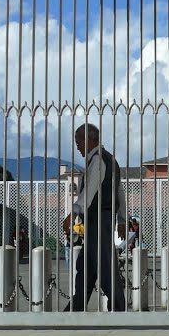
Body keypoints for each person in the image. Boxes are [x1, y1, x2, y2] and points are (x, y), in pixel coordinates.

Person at [63, 123, 127, 312]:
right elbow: (119, 191)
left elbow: (89, 192)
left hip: (98, 219)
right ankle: (74, 309)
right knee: (85, 268)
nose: (77, 147)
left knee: (105, 268)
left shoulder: (98, 161)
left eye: (78, 142)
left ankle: (119, 309)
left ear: (89, 139)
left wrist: (72, 214)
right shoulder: (109, 160)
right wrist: (122, 219)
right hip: (100, 220)